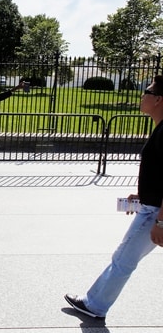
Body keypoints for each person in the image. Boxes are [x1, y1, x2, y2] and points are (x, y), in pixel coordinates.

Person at [64, 75, 163, 320]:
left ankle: (95, 305)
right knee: (124, 259)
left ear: (159, 100)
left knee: (123, 260)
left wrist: (161, 220)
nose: (142, 96)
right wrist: (141, 194)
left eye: (147, 93)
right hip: (151, 206)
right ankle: (94, 303)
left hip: (154, 213)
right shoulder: (161, 128)